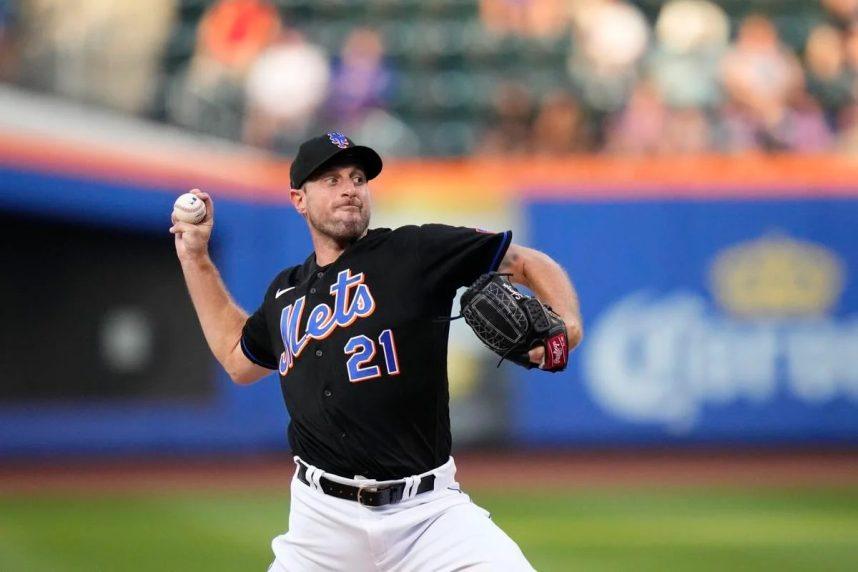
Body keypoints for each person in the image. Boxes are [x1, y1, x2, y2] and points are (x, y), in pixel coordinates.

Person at [170, 132, 583, 571]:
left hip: (428, 516)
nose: (349, 188)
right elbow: (238, 359)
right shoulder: (285, 294)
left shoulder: (413, 250)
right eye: (330, 180)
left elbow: (523, 261)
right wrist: (195, 259)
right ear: (299, 199)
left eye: (357, 178)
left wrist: (569, 325)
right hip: (320, 524)